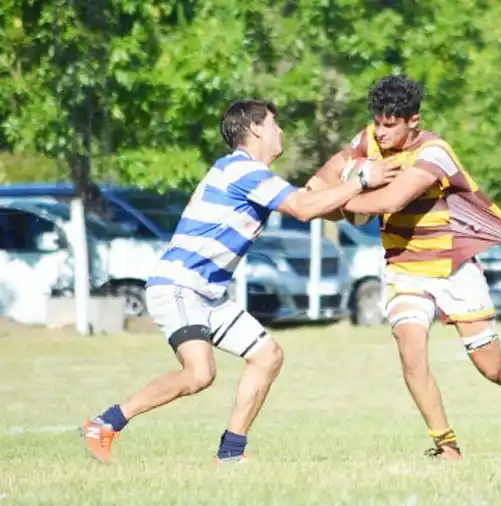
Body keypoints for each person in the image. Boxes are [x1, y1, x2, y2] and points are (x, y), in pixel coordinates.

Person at [80, 99, 399, 463]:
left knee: (267, 356)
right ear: (256, 129)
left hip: (208, 293)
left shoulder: (255, 177)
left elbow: (310, 201)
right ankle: (105, 423)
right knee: (199, 374)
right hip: (180, 285)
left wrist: (357, 178)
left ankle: (231, 452)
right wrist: (360, 179)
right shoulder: (240, 171)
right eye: (275, 124)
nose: (281, 131)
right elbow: (303, 208)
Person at [304, 75, 501, 459]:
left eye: (390, 125)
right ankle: (447, 447)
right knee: (412, 355)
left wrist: (340, 198)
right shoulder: (368, 141)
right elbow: (320, 181)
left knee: (492, 367)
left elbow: (390, 200)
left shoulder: (435, 152)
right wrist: (325, 189)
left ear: (414, 120)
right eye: (377, 122)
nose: (380, 132)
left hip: (453, 267)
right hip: (404, 269)